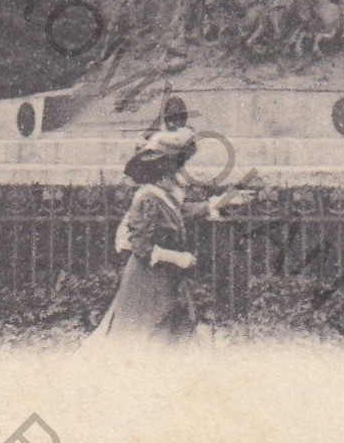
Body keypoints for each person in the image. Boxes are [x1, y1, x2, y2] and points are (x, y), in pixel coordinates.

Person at [87, 126, 249, 345]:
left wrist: (222, 201)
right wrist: (178, 258)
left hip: (163, 279)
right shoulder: (147, 199)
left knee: (164, 335)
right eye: (174, 171)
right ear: (162, 174)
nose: (179, 176)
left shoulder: (163, 196)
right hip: (145, 281)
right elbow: (141, 247)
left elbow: (183, 212)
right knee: (140, 338)